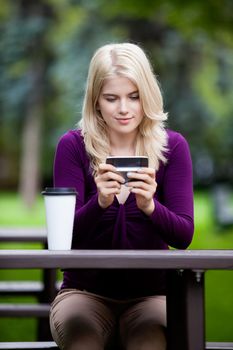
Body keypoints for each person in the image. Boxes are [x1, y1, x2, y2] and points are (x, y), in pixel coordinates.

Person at [49, 42, 194, 350]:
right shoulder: (74, 147)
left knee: (149, 343)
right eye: (111, 98)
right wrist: (98, 204)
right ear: (96, 101)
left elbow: (184, 235)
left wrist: (151, 207)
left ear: (147, 96)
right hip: (83, 293)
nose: (124, 109)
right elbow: (61, 241)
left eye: (134, 96)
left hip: (152, 295)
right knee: (83, 342)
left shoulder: (173, 147)